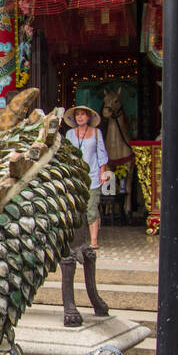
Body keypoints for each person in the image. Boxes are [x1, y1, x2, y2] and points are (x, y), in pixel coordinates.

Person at [64, 104, 113, 249]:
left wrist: (102, 172)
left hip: (92, 176)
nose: (79, 117)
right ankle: (76, 239)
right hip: (75, 176)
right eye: (77, 114)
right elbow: (67, 155)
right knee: (75, 208)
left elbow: (101, 155)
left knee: (91, 207)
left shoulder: (96, 133)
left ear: (88, 117)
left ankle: (93, 240)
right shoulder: (69, 134)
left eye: (82, 114)